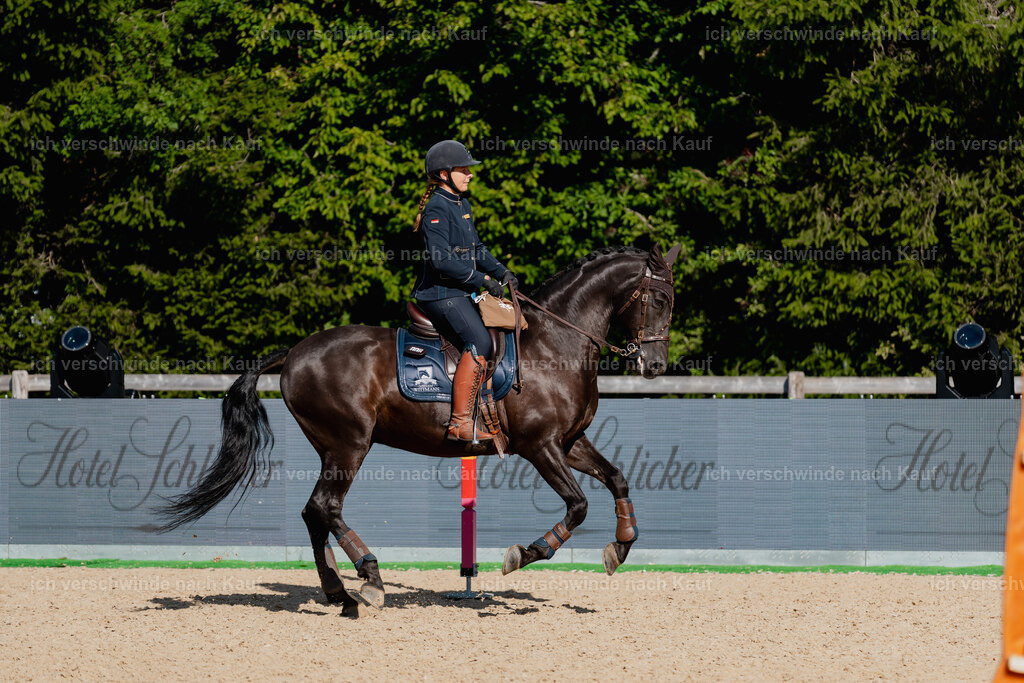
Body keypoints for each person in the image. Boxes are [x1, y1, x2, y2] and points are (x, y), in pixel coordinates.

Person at [411, 140, 518, 442]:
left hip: (460, 291)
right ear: (444, 174)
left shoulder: (462, 204)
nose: (470, 174)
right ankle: (459, 423)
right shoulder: (436, 208)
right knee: (480, 341)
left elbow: (477, 249)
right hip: (440, 294)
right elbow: (441, 260)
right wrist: (482, 280)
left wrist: (501, 271)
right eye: (464, 170)